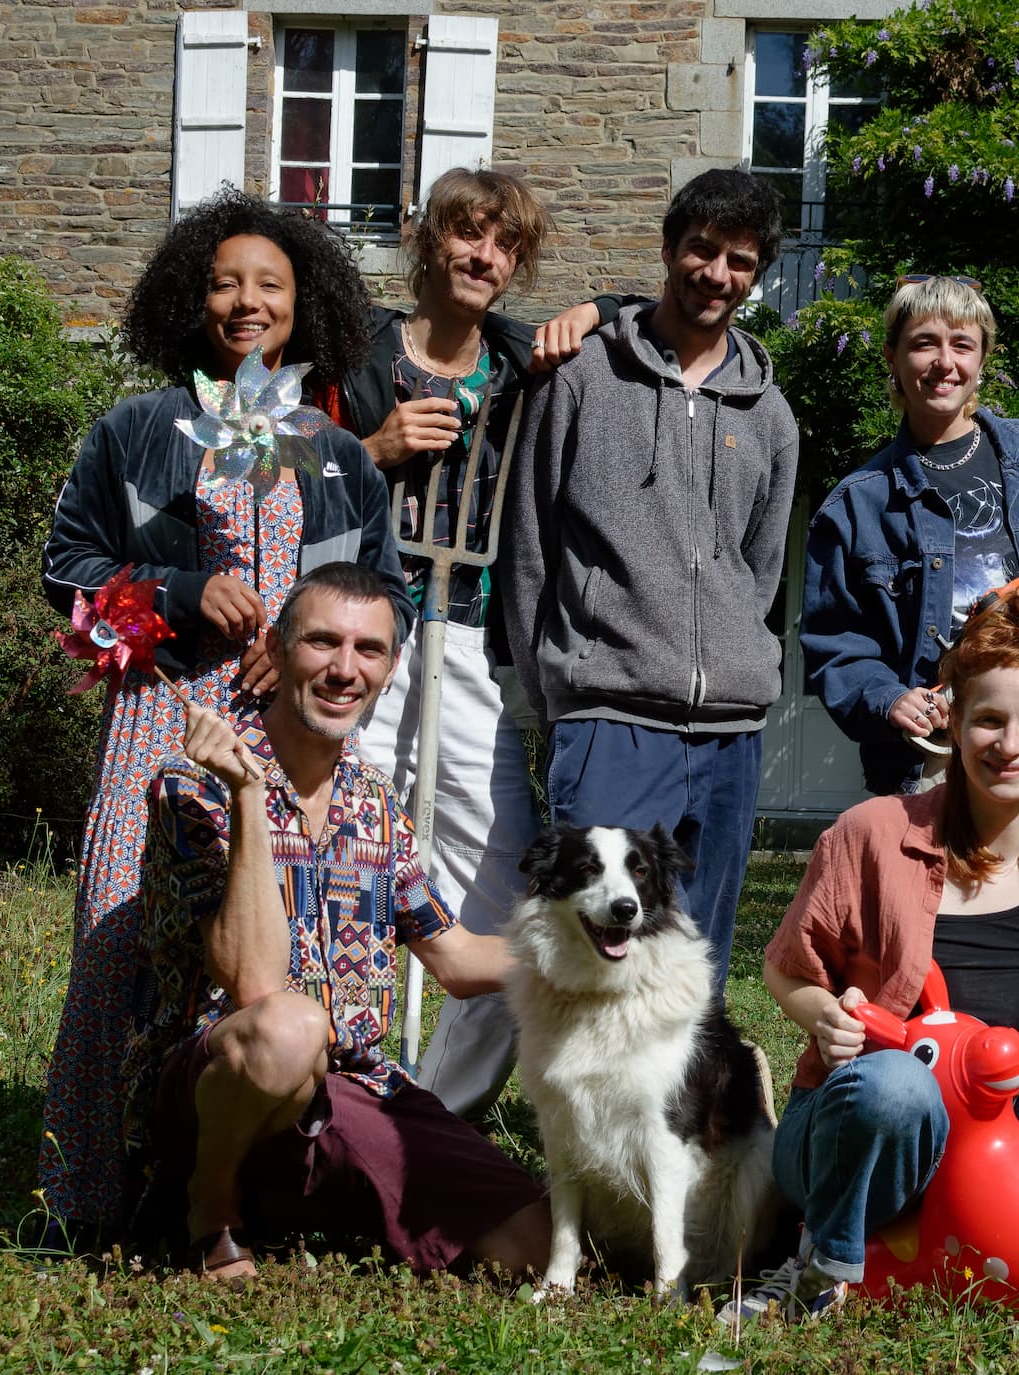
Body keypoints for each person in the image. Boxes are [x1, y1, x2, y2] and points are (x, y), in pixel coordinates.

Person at [38, 190, 410, 1238]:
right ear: (190, 297)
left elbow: (387, 594)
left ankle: (255, 1191)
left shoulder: (335, 453)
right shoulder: (136, 430)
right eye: (224, 282)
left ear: (305, 306)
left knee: (275, 955)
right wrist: (174, 591)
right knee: (122, 940)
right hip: (162, 713)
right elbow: (65, 569)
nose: (245, 301)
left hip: (291, 737)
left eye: (269, 285)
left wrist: (300, 637)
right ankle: (90, 1198)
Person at [721, 594, 1019, 1325]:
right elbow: (785, 967)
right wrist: (824, 1014)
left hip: (1010, 1138)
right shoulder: (870, 833)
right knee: (899, 1084)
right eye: (990, 719)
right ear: (956, 725)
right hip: (875, 1124)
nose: (1010, 743)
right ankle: (820, 1262)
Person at [120, 562, 550, 1282]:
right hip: (217, 1093)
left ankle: (307, 1205)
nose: (345, 669)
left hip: (350, 1087)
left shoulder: (375, 802)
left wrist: (590, 959)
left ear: (388, 668)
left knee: (533, 1243)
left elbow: (455, 957)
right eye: (323, 642)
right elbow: (253, 983)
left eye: (370, 650)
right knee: (290, 1029)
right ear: (279, 650)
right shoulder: (193, 788)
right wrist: (250, 799)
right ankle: (210, 1207)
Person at [341, 167, 630, 1117]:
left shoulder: (518, 361)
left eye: (506, 246)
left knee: (521, 892)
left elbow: (657, 315)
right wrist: (370, 453)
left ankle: (428, 1113)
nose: (487, 259)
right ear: (429, 240)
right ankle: (331, 1081)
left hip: (466, 638)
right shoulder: (353, 350)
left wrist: (589, 309)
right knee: (333, 851)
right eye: (470, 236)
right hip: (355, 638)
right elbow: (279, 464)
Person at [499, 168, 800, 989]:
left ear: (757, 274)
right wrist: (560, 689)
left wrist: (737, 656)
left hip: (731, 729)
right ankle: (583, 1117)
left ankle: (682, 1120)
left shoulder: (770, 415)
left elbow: (759, 568)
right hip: (610, 712)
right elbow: (530, 541)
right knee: (598, 959)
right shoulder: (582, 377)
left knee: (693, 964)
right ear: (669, 250)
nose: (716, 274)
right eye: (702, 250)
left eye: (739, 261)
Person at [800, 275, 1019, 885]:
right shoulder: (856, 505)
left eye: (962, 345)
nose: (944, 362)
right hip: (940, 743)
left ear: (983, 359)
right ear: (893, 356)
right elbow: (836, 645)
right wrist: (889, 699)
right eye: (924, 343)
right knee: (949, 898)